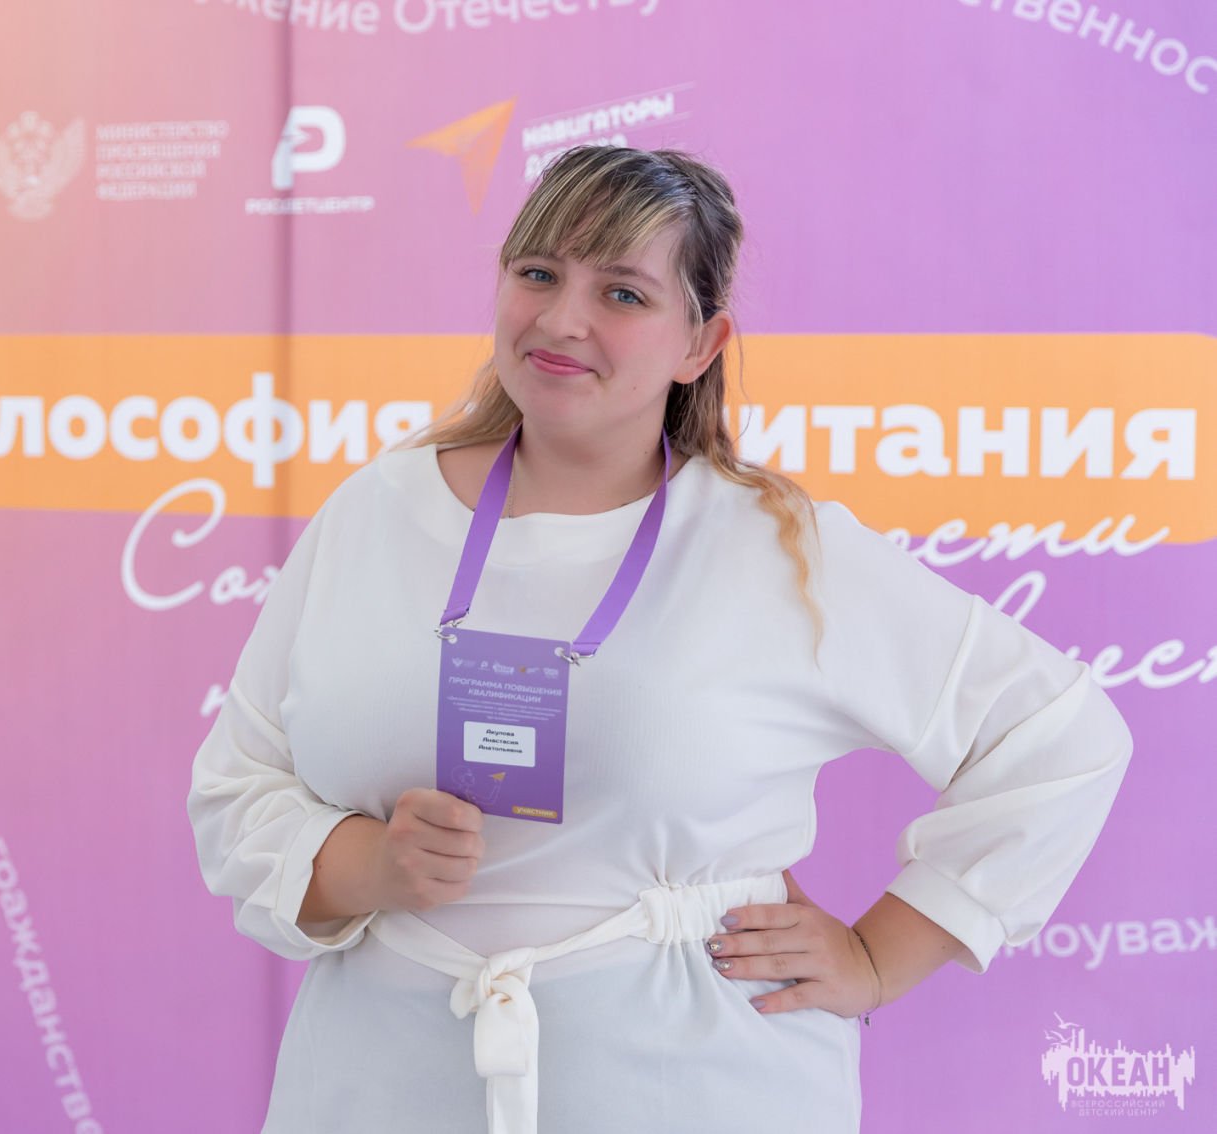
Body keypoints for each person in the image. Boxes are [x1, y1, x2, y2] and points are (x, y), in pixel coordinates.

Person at [186, 145, 1132, 1134]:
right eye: (538, 273)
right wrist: (363, 866)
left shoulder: (777, 550)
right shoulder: (374, 512)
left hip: (697, 1087)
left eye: (623, 293)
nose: (562, 319)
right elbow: (237, 783)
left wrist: (880, 956)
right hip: (377, 1088)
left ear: (699, 343)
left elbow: (1058, 738)